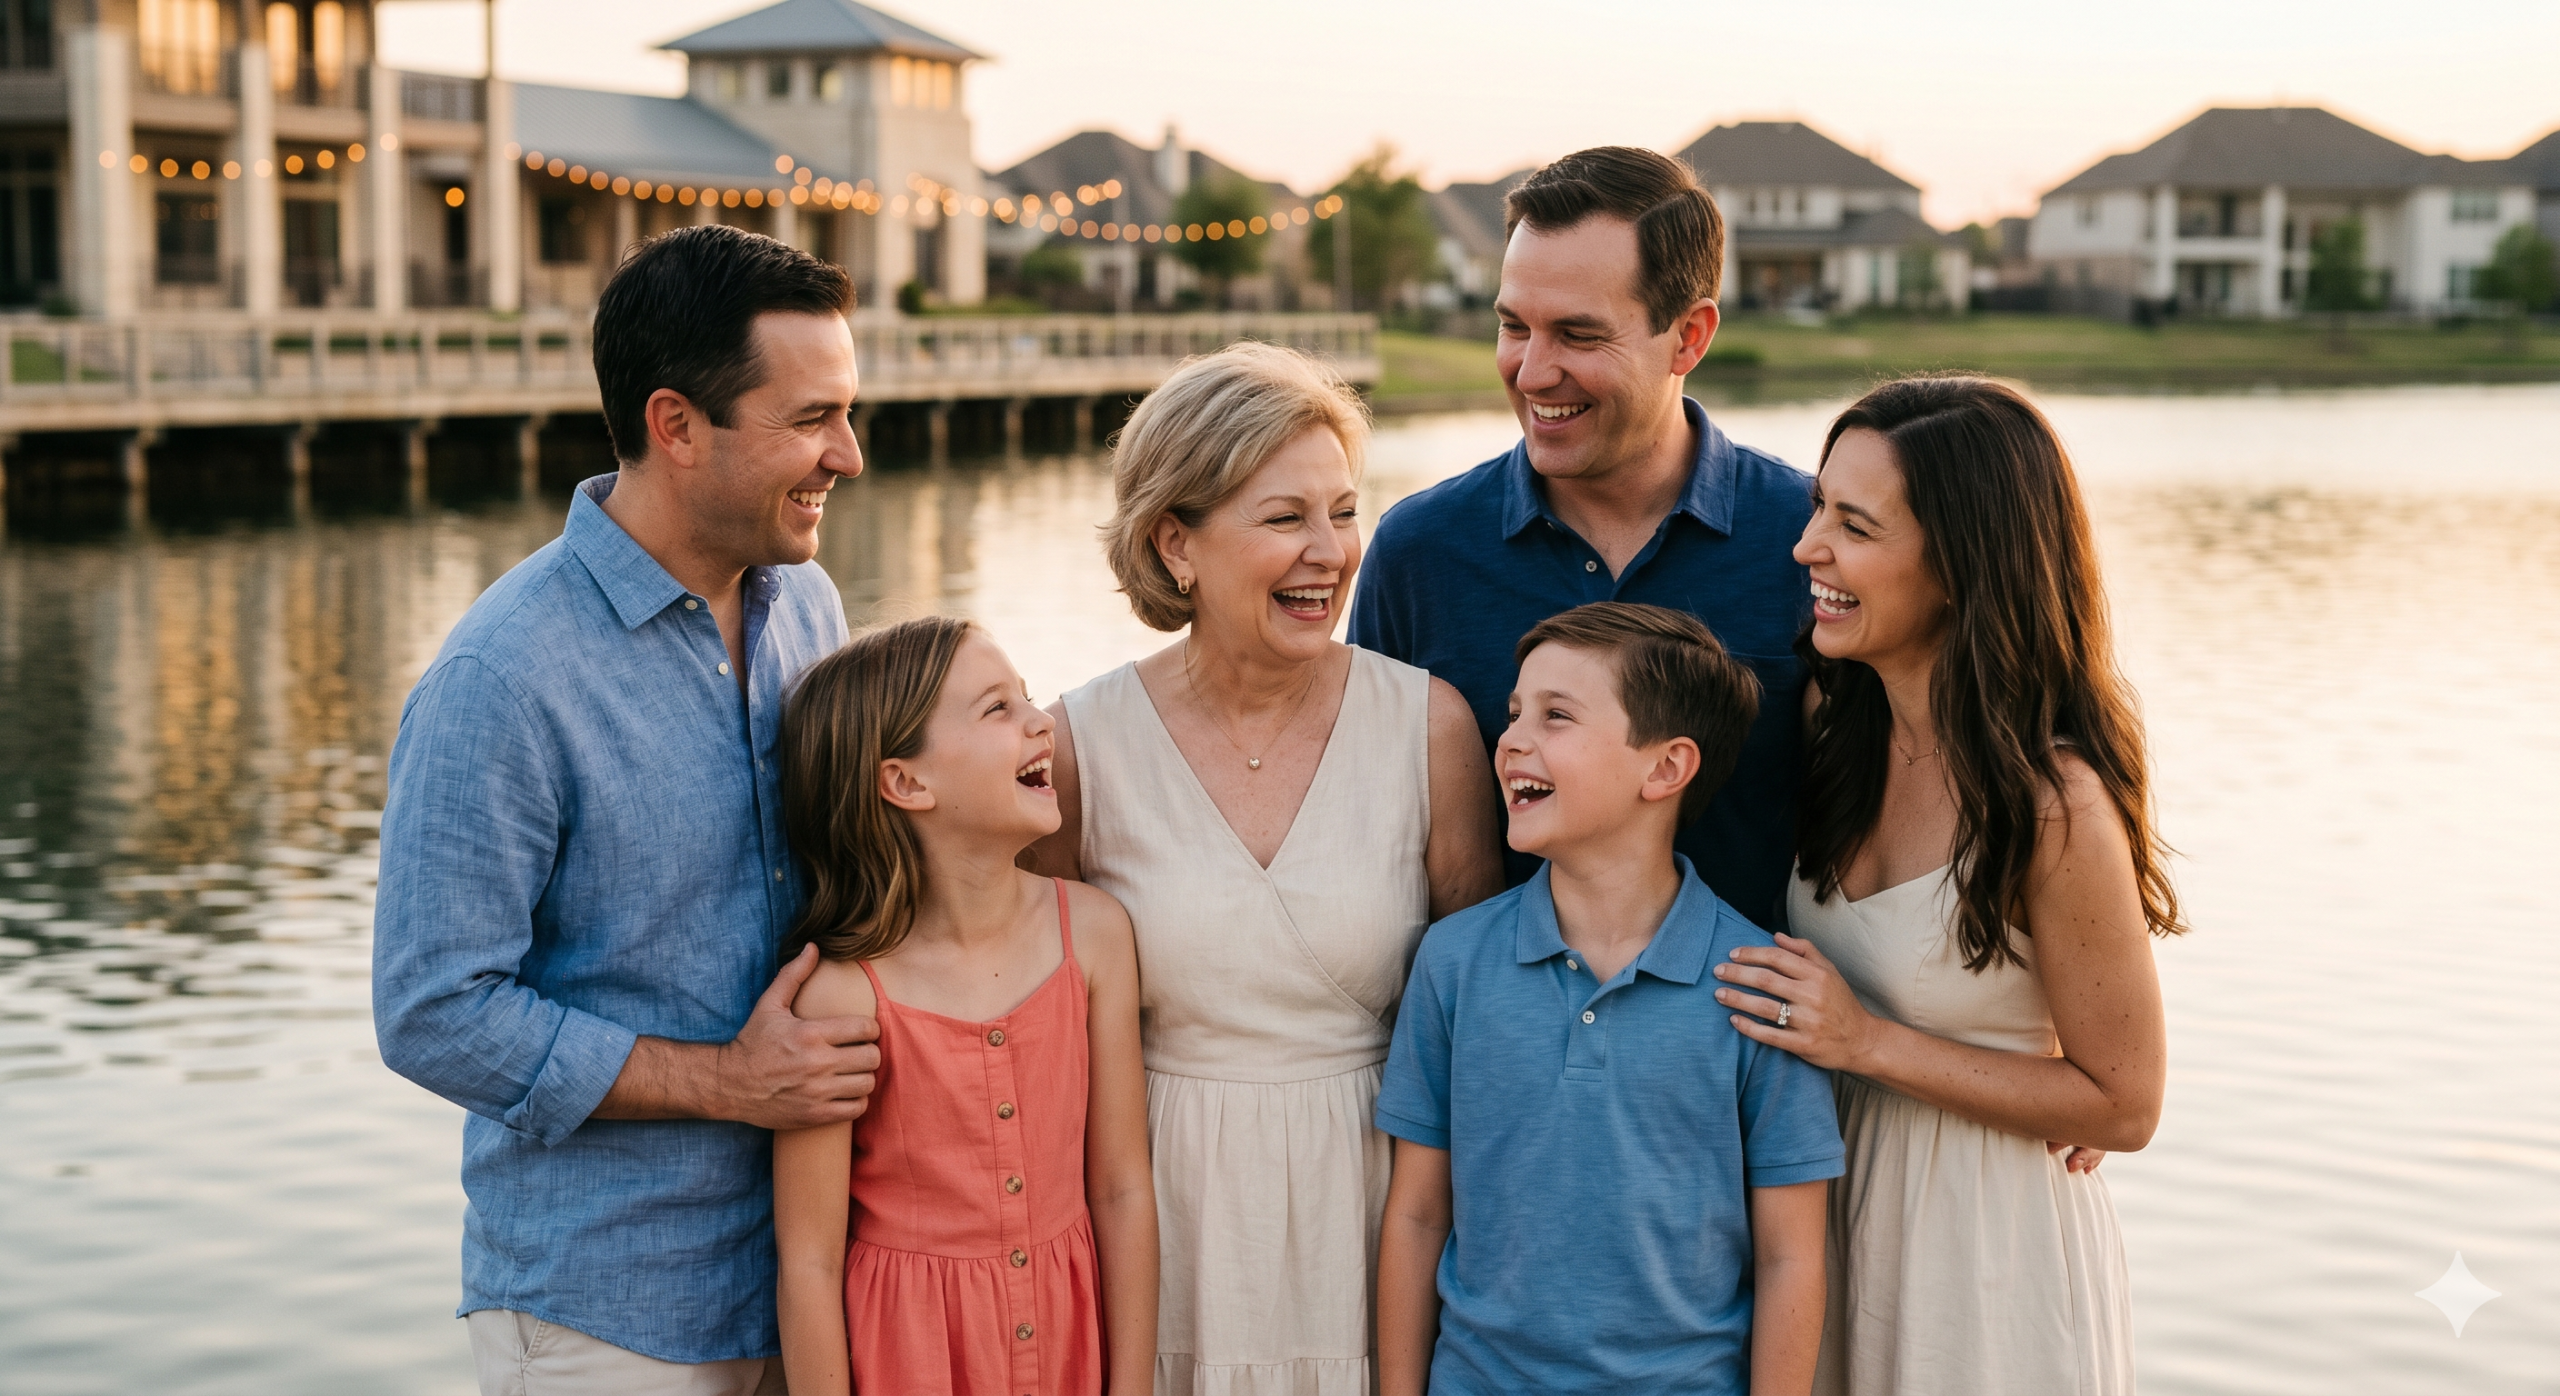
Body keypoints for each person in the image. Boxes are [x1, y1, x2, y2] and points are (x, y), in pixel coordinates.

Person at [373, 225, 877, 1396]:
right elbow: (433, 1009)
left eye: (847, 414)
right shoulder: (501, 677)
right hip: (605, 1315)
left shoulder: (808, 603)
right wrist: (728, 1082)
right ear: (676, 425)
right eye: (810, 419)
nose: (846, 455)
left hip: (817, 1281)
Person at [1027, 342, 1504, 1395]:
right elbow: (1038, 1037)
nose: (1329, 553)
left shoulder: (1428, 726)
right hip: (1157, 1210)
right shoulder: (1075, 744)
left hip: (1377, 1209)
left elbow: (1481, 1023)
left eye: (1342, 511)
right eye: (1284, 518)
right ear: (1175, 542)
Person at [1712, 376, 2180, 1395]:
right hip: (1836, 1216)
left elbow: (2126, 1101)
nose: (1807, 550)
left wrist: (1867, 1041)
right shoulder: (1836, 733)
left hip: (1988, 1256)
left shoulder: (2052, 805)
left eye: (1854, 525)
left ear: (1962, 565)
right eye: (1815, 510)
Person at [1374, 602, 1842, 1396]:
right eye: (1515, 712)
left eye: (1557, 717)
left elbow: (1791, 1255)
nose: (1513, 737)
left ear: (1665, 768)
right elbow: (1419, 1216)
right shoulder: (1453, 963)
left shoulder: (1760, 985)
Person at [1350, 145, 1812, 927]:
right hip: (1495, 1038)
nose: (1531, 372)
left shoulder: (1811, 541)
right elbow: (1367, 830)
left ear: (1689, 338)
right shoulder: (1418, 552)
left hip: (1745, 1044)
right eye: (1512, 326)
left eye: (1577, 334)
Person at [771, 617, 1156, 1396]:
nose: (1040, 721)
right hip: (908, 1359)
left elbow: (1120, 1188)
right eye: (997, 710)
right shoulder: (843, 996)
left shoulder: (1095, 933)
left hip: (1069, 1351)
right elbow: (809, 1261)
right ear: (907, 783)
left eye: (1025, 698)